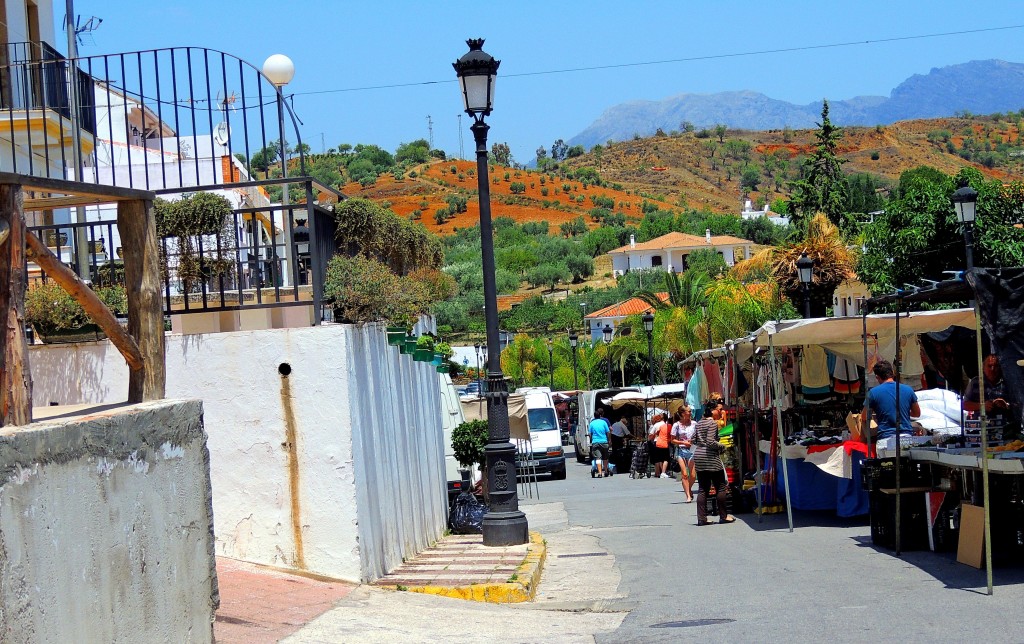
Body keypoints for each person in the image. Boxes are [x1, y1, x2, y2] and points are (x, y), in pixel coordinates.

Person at [693, 400, 735, 525]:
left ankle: (702, 518)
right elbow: (711, 442)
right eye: (719, 409)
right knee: (720, 486)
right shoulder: (712, 423)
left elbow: (693, 439)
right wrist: (722, 446)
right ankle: (724, 516)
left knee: (703, 489)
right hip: (710, 457)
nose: (721, 412)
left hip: (699, 456)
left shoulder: (699, 423)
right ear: (712, 411)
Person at [861, 360, 921, 440]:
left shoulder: (873, 393)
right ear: (893, 372)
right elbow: (917, 413)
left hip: (885, 438)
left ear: (877, 377)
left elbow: (864, 417)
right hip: (906, 437)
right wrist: (902, 412)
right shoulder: (908, 389)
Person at [670, 407, 697, 502]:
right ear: (683, 413)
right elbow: (672, 439)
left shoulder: (694, 424)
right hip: (681, 450)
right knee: (684, 474)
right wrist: (684, 443)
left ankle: (688, 489)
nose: (690, 413)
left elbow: (698, 436)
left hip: (692, 450)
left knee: (693, 475)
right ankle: (688, 496)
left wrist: (693, 441)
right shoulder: (676, 425)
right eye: (689, 411)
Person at [588, 408, 612, 478]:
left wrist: (592, 440)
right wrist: (609, 440)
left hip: (595, 442)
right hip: (604, 442)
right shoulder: (604, 422)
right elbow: (608, 432)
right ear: (600, 415)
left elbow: (590, 434)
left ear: (594, 416)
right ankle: (606, 471)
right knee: (605, 458)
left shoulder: (592, 423)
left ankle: (600, 473)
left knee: (598, 458)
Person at [649, 413, 672, 478]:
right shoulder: (666, 425)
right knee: (665, 458)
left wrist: (651, 439)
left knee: (657, 458)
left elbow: (651, 434)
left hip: (656, 442)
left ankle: (657, 472)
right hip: (665, 442)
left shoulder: (656, 425)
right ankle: (663, 472)